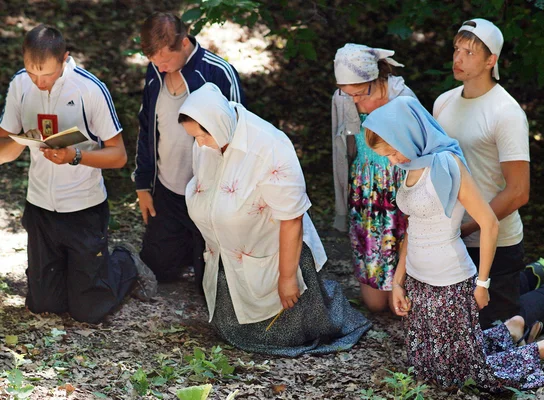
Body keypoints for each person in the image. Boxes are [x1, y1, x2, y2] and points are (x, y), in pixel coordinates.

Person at [363, 96, 544, 392]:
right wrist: (398, 281)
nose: (392, 160)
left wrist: (482, 283)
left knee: (456, 376)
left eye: (392, 152)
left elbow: (489, 222)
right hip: (419, 281)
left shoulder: (447, 164)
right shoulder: (410, 168)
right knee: (426, 366)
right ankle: (510, 330)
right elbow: (412, 229)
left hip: (451, 281)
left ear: (408, 134)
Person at [179, 83, 371, 356]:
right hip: (232, 251)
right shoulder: (208, 140)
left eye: (201, 137)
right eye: (194, 138)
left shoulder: (269, 145)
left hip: (277, 249)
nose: (199, 144)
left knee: (284, 331)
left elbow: (291, 217)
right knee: (235, 327)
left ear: (218, 124)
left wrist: (287, 277)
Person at [433, 18, 544, 330]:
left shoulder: (506, 113)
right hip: (453, 236)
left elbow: (519, 191)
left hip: (496, 240)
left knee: (491, 331)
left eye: (469, 53)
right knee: (450, 320)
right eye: (456, 50)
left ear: (491, 60)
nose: (458, 59)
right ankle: (528, 277)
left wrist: (468, 227)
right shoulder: (443, 102)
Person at [0, 25, 156, 323]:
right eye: (32, 73)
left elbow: (118, 156)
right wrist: (19, 143)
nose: (39, 82)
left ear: (65, 59)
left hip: (83, 209)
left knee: (88, 311)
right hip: (40, 208)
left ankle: (125, 262)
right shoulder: (20, 85)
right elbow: (3, 147)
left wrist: (76, 156)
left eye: (46, 74)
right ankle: (71, 274)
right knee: (43, 303)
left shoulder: (89, 88)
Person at [133, 12, 246, 288]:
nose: (159, 68)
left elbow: (239, 137)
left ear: (184, 43)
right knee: (156, 270)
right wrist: (143, 186)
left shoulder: (217, 72)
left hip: (208, 193)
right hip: (168, 192)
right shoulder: (155, 71)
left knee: (209, 286)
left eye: (165, 61)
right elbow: (147, 129)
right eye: (153, 62)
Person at [332, 43, 419, 312]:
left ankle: (406, 283)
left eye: (359, 93)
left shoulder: (403, 98)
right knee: (375, 305)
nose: (353, 100)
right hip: (366, 190)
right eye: (347, 93)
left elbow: (422, 153)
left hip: (400, 187)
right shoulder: (342, 98)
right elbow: (342, 152)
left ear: (376, 78)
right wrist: (342, 206)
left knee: (401, 306)